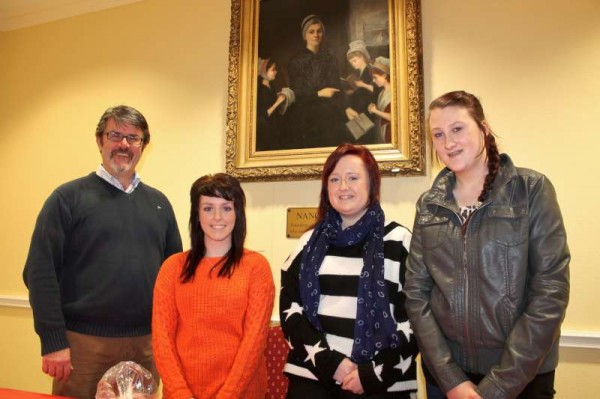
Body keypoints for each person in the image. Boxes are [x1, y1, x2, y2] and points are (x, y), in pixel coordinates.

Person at [404, 91, 570, 399]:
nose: (448, 143)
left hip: (522, 376)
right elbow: (416, 294)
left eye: (457, 129)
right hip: (447, 378)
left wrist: (497, 388)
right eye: (438, 135)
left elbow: (550, 290)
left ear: (484, 128)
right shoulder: (428, 205)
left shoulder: (530, 190)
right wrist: (450, 378)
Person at [23, 105, 183, 399]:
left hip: (147, 346)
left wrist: (171, 342)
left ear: (143, 146)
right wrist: (53, 341)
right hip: (83, 348)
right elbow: (39, 272)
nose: (124, 144)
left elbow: (174, 279)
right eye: (115, 135)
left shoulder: (159, 204)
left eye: (133, 138)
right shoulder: (67, 199)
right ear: (100, 141)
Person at [279, 143, 418, 399]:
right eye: (335, 179)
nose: (343, 187)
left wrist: (371, 373)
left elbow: (417, 318)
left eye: (353, 178)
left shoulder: (400, 241)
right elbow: (291, 310)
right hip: (313, 379)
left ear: (372, 184)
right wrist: (331, 364)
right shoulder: (307, 242)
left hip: (382, 383)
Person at [152, 173, 275, 399]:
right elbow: (162, 341)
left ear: (238, 213)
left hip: (242, 393)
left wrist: (227, 395)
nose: (217, 217)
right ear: (196, 214)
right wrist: (181, 394)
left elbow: (254, 344)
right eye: (208, 208)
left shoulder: (256, 268)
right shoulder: (172, 268)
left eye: (226, 208)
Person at [285, 15, 355, 149]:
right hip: (306, 113)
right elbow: (297, 93)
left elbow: (337, 85)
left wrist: (347, 107)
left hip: (331, 110)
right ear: (304, 35)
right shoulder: (296, 61)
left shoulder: (330, 58)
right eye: (311, 32)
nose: (316, 35)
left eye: (319, 31)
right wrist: (319, 93)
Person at [256, 57, 286, 151]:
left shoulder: (271, 86)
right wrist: (277, 102)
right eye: (273, 69)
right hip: (266, 130)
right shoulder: (259, 91)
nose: (276, 72)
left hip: (274, 127)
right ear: (264, 72)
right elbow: (263, 115)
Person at [367, 57, 392, 143]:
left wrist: (375, 111)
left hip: (389, 132)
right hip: (380, 130)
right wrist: (374, 109)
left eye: (375, 77)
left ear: (384, 76)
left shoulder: (393, 93)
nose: (373, 80)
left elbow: (393, 117)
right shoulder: (381, 93)